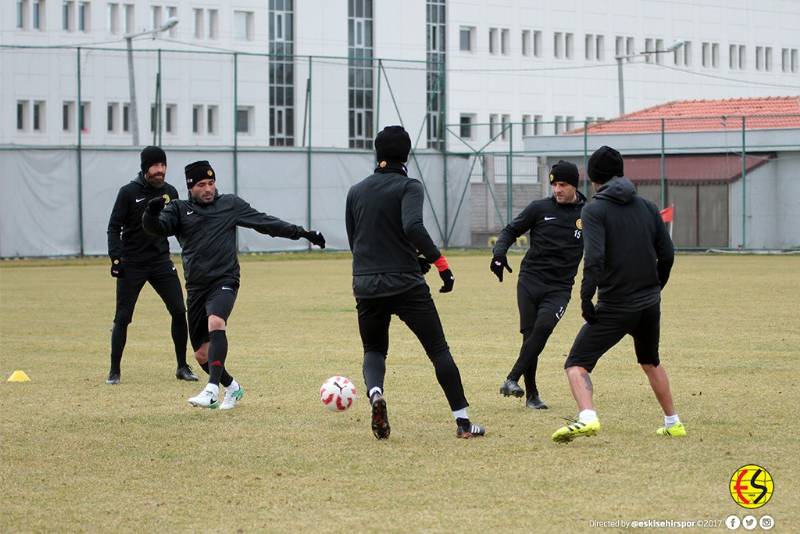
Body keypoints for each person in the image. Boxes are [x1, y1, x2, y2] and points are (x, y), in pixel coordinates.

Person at [142, 160, 326, 410]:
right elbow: (156, 228)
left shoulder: (229, 204)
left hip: (225, 280)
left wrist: (302, 233)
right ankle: (232, 387)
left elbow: (265, 223)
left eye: (211, 183)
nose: (208, 189)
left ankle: (211, 390)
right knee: (201, 355)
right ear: (190, 187)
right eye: (201, 185)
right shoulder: (178, 209)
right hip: (196, 287)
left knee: (216, 321)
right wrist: (150, 214)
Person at [346, 125, 485, 440]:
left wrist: (410, 262)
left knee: (374, 349)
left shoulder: (356, 190)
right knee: (438, 349)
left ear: (377, 153)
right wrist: (440, 264)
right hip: (405, 285)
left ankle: (376, 394)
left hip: (366, 284)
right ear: (406, 154)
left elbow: (358, 241)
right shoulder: (409, 186)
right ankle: (464, 423)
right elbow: (412, 227)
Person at [551, 146, 684, 443]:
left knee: (576, 363)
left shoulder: (594, 209)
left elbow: (594, 258)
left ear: (594, 177)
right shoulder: (648, 206)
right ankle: (673, 422)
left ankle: (587, 417)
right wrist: (655, 287)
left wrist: (586, 298)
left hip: (616, 305)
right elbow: (668, 253)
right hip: (649, 302)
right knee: (651, 361)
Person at [491, 161, 586, 409]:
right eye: (554, 184)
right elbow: (510, 231)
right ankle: (532, 396)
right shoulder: (539, 208)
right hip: (530, 281)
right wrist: (499, 254)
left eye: (562, 184)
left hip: (559, 288)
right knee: (529, 336)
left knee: (542, 329)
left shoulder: (589, 213)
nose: (557, 189)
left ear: (574, 185)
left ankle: (512, 378)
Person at [106, 146, 198, 385]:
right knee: (123, 317)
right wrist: (116, 259)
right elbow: (114, 226)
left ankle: (182, 366)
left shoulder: (170, 192)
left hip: (160, 262)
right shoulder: (128, 192)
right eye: (155, 166)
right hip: (132, 263)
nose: (160, 170)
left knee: (179, 311)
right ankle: (114, 371)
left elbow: (180, 226)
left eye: (163, 165)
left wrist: (192, 248)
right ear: (145, 168)